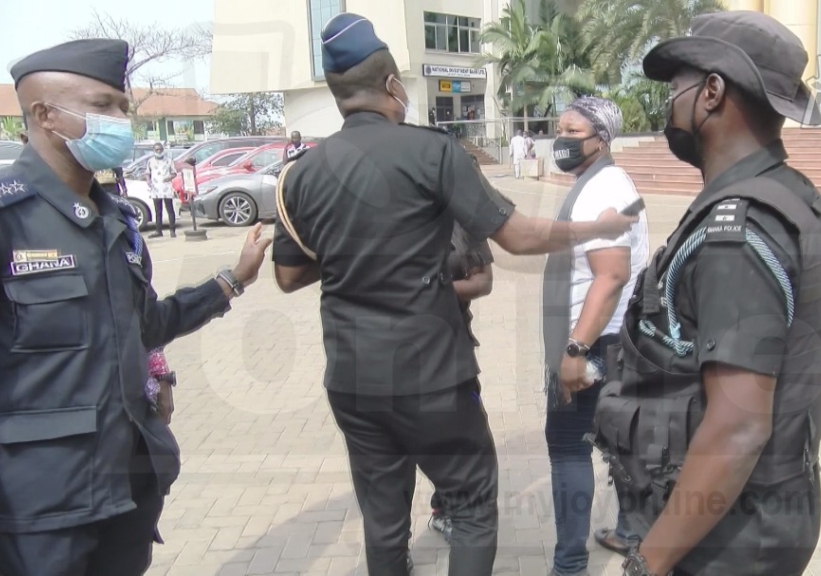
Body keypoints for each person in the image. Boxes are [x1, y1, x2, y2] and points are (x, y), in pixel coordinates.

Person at [270, 14, 637, 576]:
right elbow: (514, 235)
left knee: (383, 518)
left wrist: (356, 256)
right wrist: (590, 230)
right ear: (394, 85)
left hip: (351, 378)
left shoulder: (299, 174)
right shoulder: (432, 153)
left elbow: (289, 277)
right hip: (434, 376)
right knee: (469, 507)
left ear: (337, 95)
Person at [0, 38, 272, 576]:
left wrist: (231, 281)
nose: (122, 120)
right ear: (45, 115)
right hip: (40, 511)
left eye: (122, 106)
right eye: (103, 106)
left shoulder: (115, 221)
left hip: (127, 488)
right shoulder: (6, 218)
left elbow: (145, 326)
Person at [587, 11, 821, 576]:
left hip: (730, 539)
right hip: (755, 516)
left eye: (676, 87)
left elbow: (739, 425)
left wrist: (646, 564)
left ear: (712, 94)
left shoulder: (737, 235)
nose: (669, 104)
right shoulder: (786, 194)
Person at [539, 97, 648, 576]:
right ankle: (627, 530)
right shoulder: (609, 180)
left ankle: (569, 565)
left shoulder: (600, 188)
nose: (560, 139)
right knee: (615, 443)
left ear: (600, 141)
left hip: (593, 345)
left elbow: (611, 276)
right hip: (616, 342)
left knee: (567, 447)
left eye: (571, 131)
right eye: (558, 128)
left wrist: (573, 351)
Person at [427, 155, 503, 544]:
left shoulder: (465, 222)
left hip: (452, 348)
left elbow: (483, 281)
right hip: (390, 352)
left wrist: (429, 294)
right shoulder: (399, 215)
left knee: (469, 437)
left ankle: (448, 508)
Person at [147, 142, 177, 238]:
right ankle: (158, 231)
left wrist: (169, 178)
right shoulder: (150, 161)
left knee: (170, 209)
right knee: (158, 210)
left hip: (166, 187)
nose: (159, 151)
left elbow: (174, 173)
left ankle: (172, 230)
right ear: (153, 151)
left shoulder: (168, 161)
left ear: (163, 150)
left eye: (160, 149)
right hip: (155, 188)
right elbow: (147, 173)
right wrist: (148, 181)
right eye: (157, 150)